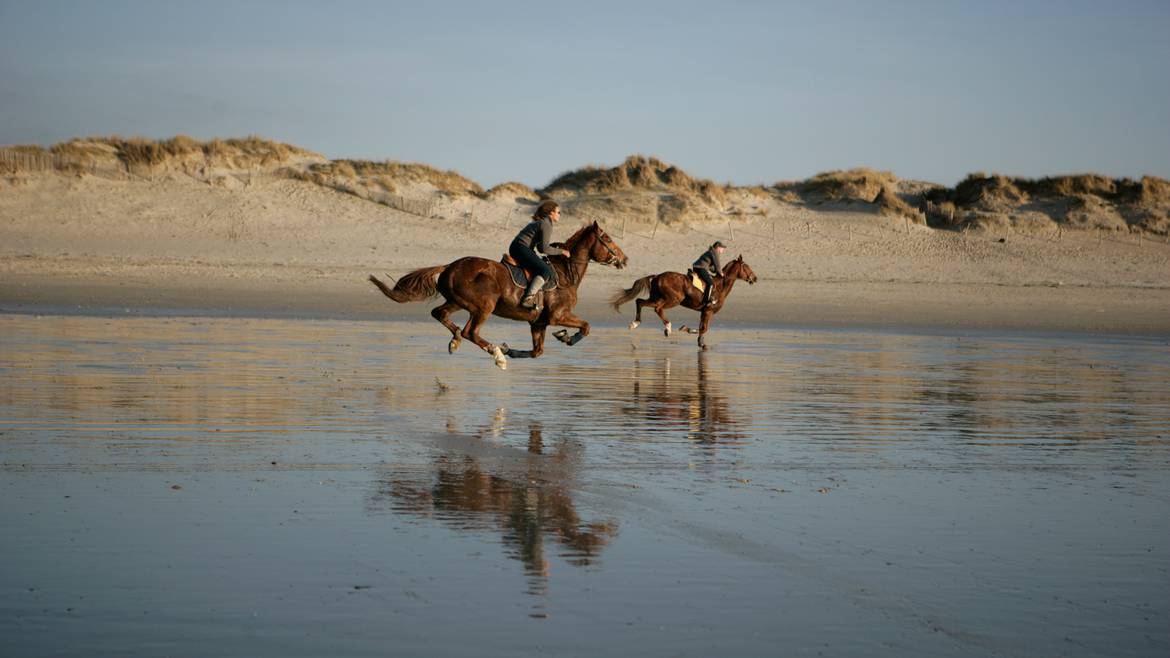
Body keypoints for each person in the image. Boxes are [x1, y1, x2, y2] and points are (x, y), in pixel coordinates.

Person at [510, 200, 570, 309]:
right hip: (521, 248)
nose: (559, 214)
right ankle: (528, 298)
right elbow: (544, 249)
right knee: (546, 271)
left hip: (519, 247)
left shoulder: (543, 222)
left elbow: (539, 247)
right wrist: (562, 252)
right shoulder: (546, 224)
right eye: (558, 212)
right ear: (551, 213)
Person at [692, 241, 727, 308]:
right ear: (718, 247)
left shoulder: (710, 252)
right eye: (722, 248)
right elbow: (717, 265)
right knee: (710, 283)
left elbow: (710, 266)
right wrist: (721, 273)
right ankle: (707, 301)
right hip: (701, 268)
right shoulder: (714, 253)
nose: (723, 250)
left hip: (698, 267)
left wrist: (716, 271)